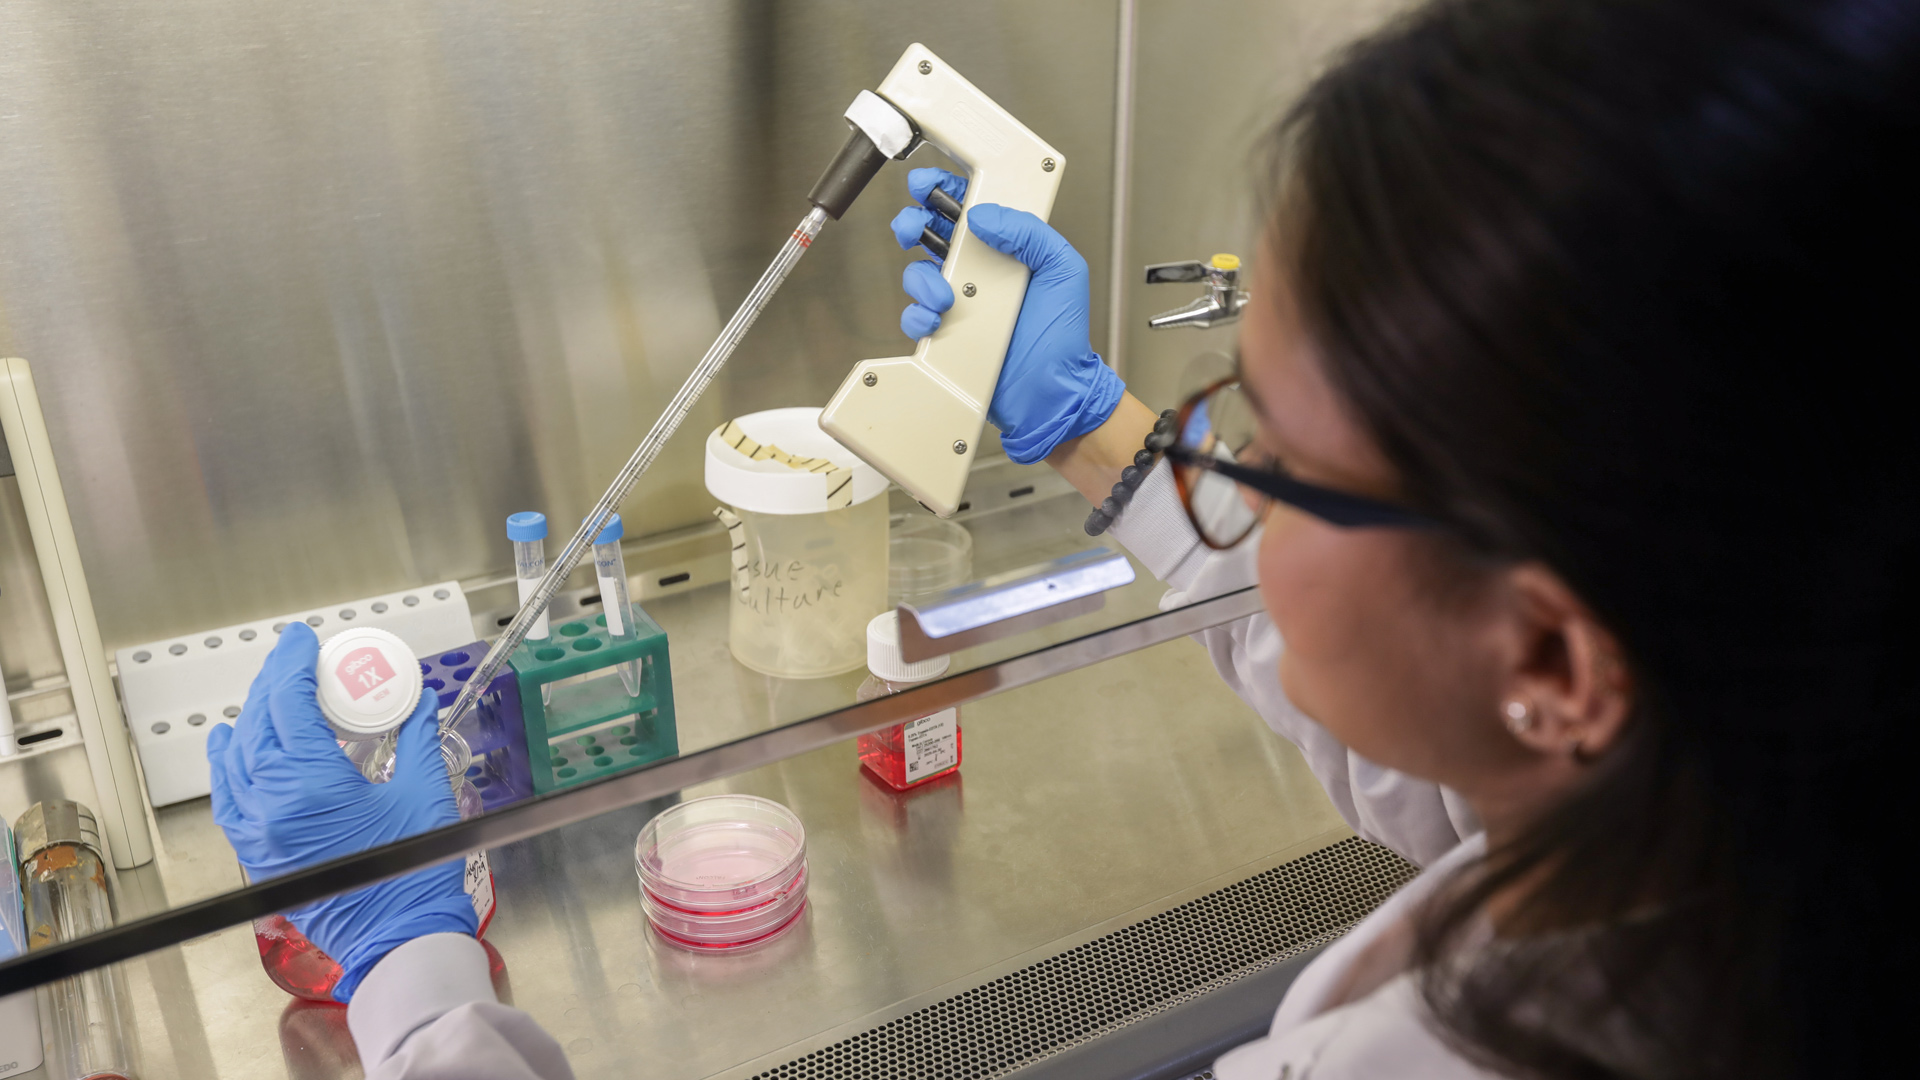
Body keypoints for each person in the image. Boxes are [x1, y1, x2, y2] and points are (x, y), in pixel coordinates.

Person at [206, 0, 1916, 1075]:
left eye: (1262, 447)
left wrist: (413, 970)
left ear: (1549, 651)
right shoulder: (1716, 811)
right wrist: (1094, 430)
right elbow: (1467, 787)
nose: (1214, 472)